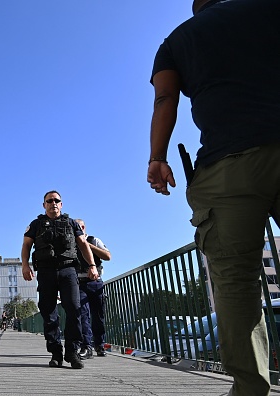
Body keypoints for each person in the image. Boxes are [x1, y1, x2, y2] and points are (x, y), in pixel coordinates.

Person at [147, 1, 280, 394]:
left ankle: (251, 390)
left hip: (228, 166)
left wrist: (157, 158)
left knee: (237, 287)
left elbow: (165, 97)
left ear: (195, 7)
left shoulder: (177, 40)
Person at [21, 190, 98, 369]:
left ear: (61, 204)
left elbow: (83, 244)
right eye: (49, 201)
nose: (53, 203)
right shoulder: (36, 224)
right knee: (48, 313)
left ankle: (72, 351)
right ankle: (56, 353)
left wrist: (92, 266)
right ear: (44, 205)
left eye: (56, 200)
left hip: (68, 269)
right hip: (46, 271)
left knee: (74, 308)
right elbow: (26, 245)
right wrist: (25, 265)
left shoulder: (71, 223)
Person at [74, 219, 111, 359]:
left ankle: (100, 345)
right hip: (78, 283)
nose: (79, 229)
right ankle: (86, 346)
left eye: (81, 227)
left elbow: (107, 256)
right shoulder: (70, 244)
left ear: (84, 227)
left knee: (98, 315)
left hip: (95, 282)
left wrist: (87, 245)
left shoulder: (94, 240)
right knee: (83, 315)